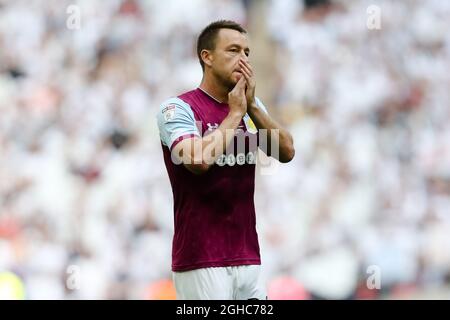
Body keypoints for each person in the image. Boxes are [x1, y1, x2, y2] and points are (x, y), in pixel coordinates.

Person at [156, 20, 295, 300]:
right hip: (200, 259)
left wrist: (253, 106)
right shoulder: (178, 109)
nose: (243, 60)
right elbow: (197, 160)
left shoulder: (250, 109)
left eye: (246, 52)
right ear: (207, 57)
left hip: (247, 255)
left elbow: (286, 152)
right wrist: (234, 114)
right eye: (233, 50)